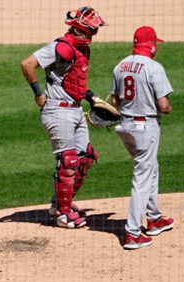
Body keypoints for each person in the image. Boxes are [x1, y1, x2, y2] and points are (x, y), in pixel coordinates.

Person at [20, 6, 108, 229]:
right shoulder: (62, 47)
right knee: (68, 160)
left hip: (76, 109)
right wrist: (38, 94)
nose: (94, 34)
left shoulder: (82, 50)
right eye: (92, 29)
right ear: (80, 28)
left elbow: (73, 82)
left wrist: (91, 98)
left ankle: (59, 203)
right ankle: (63, 213)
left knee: (85, 157)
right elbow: (27, 64)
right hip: (58, 111)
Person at [110, 26, 175, 250]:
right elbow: (163, 106)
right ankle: (132, 233)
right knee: (142, 177)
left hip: (125, 127)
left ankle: (155, 218)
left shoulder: (120, 66)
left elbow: (115, 103)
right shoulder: (154, 67)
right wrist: (166, 108)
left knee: (150, 168)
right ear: (151, 46)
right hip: (145, 127)